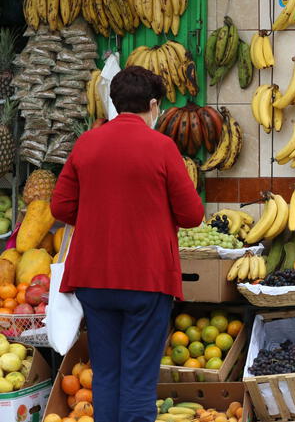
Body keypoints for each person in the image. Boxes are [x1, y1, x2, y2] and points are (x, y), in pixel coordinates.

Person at [51, 66, 204, 422]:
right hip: (146, 280)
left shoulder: (87, 143)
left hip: (92, 279)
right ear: (153, 105)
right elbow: (192, 214)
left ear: (116, 103)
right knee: (137, 378)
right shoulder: (162, 147)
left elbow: (60, 207)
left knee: (105, 374)